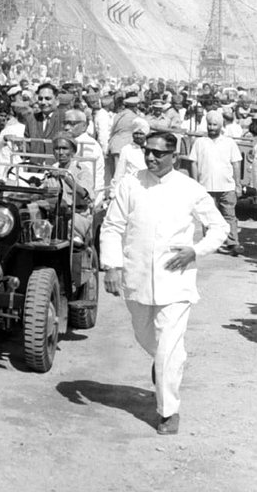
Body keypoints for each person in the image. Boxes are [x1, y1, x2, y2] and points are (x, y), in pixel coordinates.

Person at [100, 130, 228, 435]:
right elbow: (112, 226)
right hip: (138, 278)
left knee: (169, 348)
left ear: (174, 156)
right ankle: (165, 364)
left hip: (176, 282)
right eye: (148, 151)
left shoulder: (189, 188)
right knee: (148, 339)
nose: (152, 157)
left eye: (159, 153)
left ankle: (168, 411)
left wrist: (195, 251)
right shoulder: (131, 183)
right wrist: (112, 266)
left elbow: (219, 228)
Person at [188, 110, 243, 256]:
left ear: (221, 126)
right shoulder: (200, 142)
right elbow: (193, 163)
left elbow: (236, 163)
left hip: (226, 186)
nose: (212, 128)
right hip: (205, 186)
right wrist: (195, 183)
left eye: (215, 125)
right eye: (210, 125)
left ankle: (233, 243)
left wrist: (237, 184)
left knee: (229, 215)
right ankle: (210, 244)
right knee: (208, 217)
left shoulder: (229, 142)